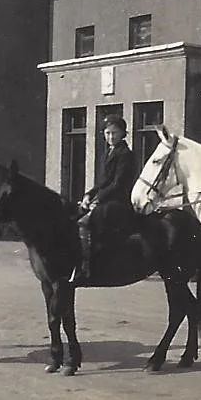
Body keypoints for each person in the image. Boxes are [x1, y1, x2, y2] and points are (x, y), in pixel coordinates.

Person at [70, 114, 138, 285]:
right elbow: (103, 182)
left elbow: (118, 184)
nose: (110, 137)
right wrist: (88, 195)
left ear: (123, 134)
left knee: (84, 223)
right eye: (107, 133)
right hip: (106, 198)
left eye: (114, 133)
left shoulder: (125, 154)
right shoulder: (108, 152)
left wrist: (97, 200)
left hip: (119, 202)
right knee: (72, 216)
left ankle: (85, 268)